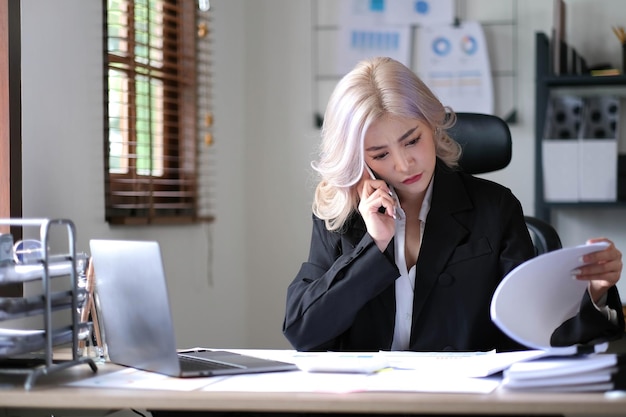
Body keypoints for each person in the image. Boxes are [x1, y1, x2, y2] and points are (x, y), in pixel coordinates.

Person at [282, 56, 625, 353]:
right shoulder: (341, 213)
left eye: (412, 140)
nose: (404, 165)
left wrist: (592, 294)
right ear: (359, 158)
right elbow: (304, 332)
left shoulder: (495, 207)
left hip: (465, 403)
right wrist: (375, 246)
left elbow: (536, 330)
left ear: (432, 125)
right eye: (381, 154)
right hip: (369, 403)